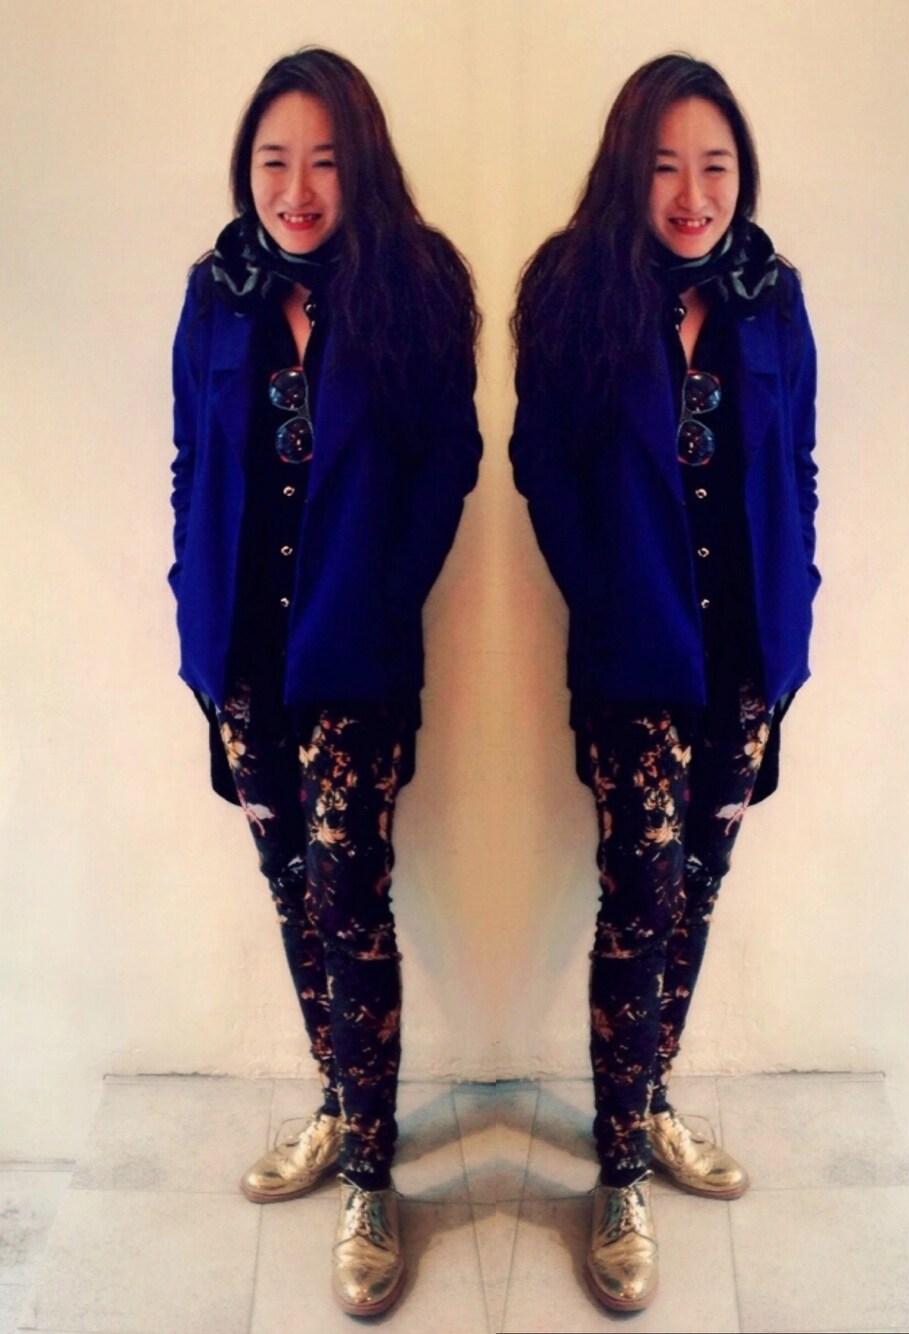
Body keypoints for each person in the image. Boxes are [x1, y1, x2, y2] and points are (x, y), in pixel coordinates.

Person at [169, 48, 480, 1317]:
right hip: (244, 659)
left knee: (352, 907)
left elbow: (449, 461)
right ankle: (341, 1100)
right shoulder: (217, 293)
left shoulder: (416, 283)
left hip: (355, 659)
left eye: (324, 162)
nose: (295, 188)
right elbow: (191, 460)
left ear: (364, 168)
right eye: (273, 161)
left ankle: (370, 1175)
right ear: (246, 169)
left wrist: (383, 592)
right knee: (293, 894)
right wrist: (193, 597)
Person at [510, 53, 819, 1312]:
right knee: (637, 906)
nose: (693, 193)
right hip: (634, 660)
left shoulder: (771, 297)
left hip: (744, 659)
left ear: (741, 174)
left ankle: (647, 1097)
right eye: (665, 167)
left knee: (695, 892)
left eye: (715, 167)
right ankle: (619, 1170)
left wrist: (795, 598)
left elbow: (795, 462)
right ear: (625, 172)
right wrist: (607, 593)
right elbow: (540, 465)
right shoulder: (573, 288)